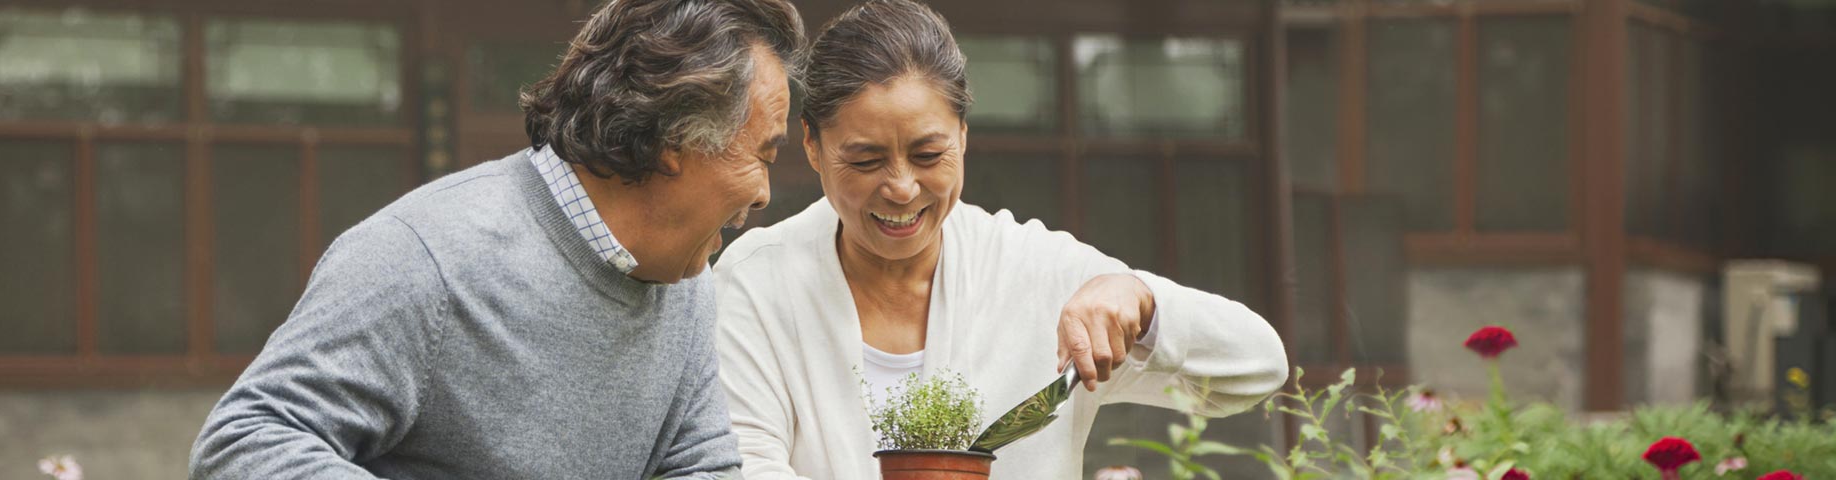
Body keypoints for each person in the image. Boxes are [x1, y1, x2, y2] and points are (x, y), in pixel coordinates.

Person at [188, 0, 805, 478]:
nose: (763, 194)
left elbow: (702, 464)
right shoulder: (423, 256)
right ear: (677, 141)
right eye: (763, 155)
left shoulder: (682, 279)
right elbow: (244, 443)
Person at [709, 1, 1290, 478]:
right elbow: (744, 467)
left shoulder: (1036, 274)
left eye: (929, 154)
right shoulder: (760, 280)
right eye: (864, 160)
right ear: (812, 146)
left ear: (963, 133)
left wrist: (1142, 300)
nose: (903, 188)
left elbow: (1258, 366)